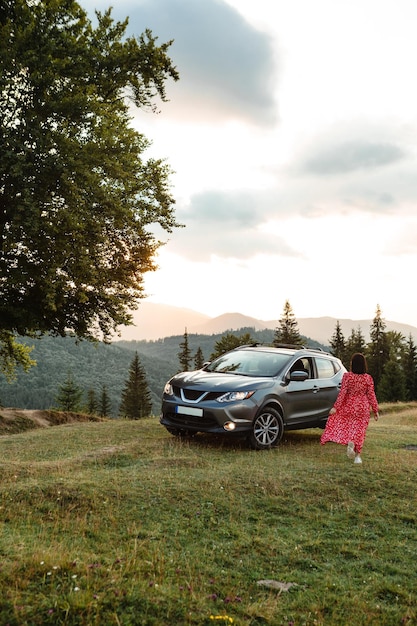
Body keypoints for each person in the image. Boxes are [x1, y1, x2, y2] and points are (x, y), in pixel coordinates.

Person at [320, 353, 379, 464]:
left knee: (350, 427)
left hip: (349, 406)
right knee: (360, 431)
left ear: (352, 364)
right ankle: (357, 457)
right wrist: (375, 410)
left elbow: (342, 393)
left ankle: (350, 442)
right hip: (362, 408)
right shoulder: (368, 378)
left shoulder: (347, 376)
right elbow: (371, 395)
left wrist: (335, 408)